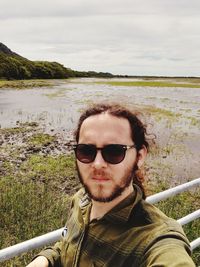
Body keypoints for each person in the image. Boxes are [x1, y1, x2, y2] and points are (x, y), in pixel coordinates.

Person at [27, 103, 195, 267]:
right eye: (86, 151)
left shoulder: (155, 239)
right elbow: (67, 244)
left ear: (140, 156)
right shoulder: (80, 199)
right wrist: (46, 258)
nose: (98, 163)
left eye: (114, 151)